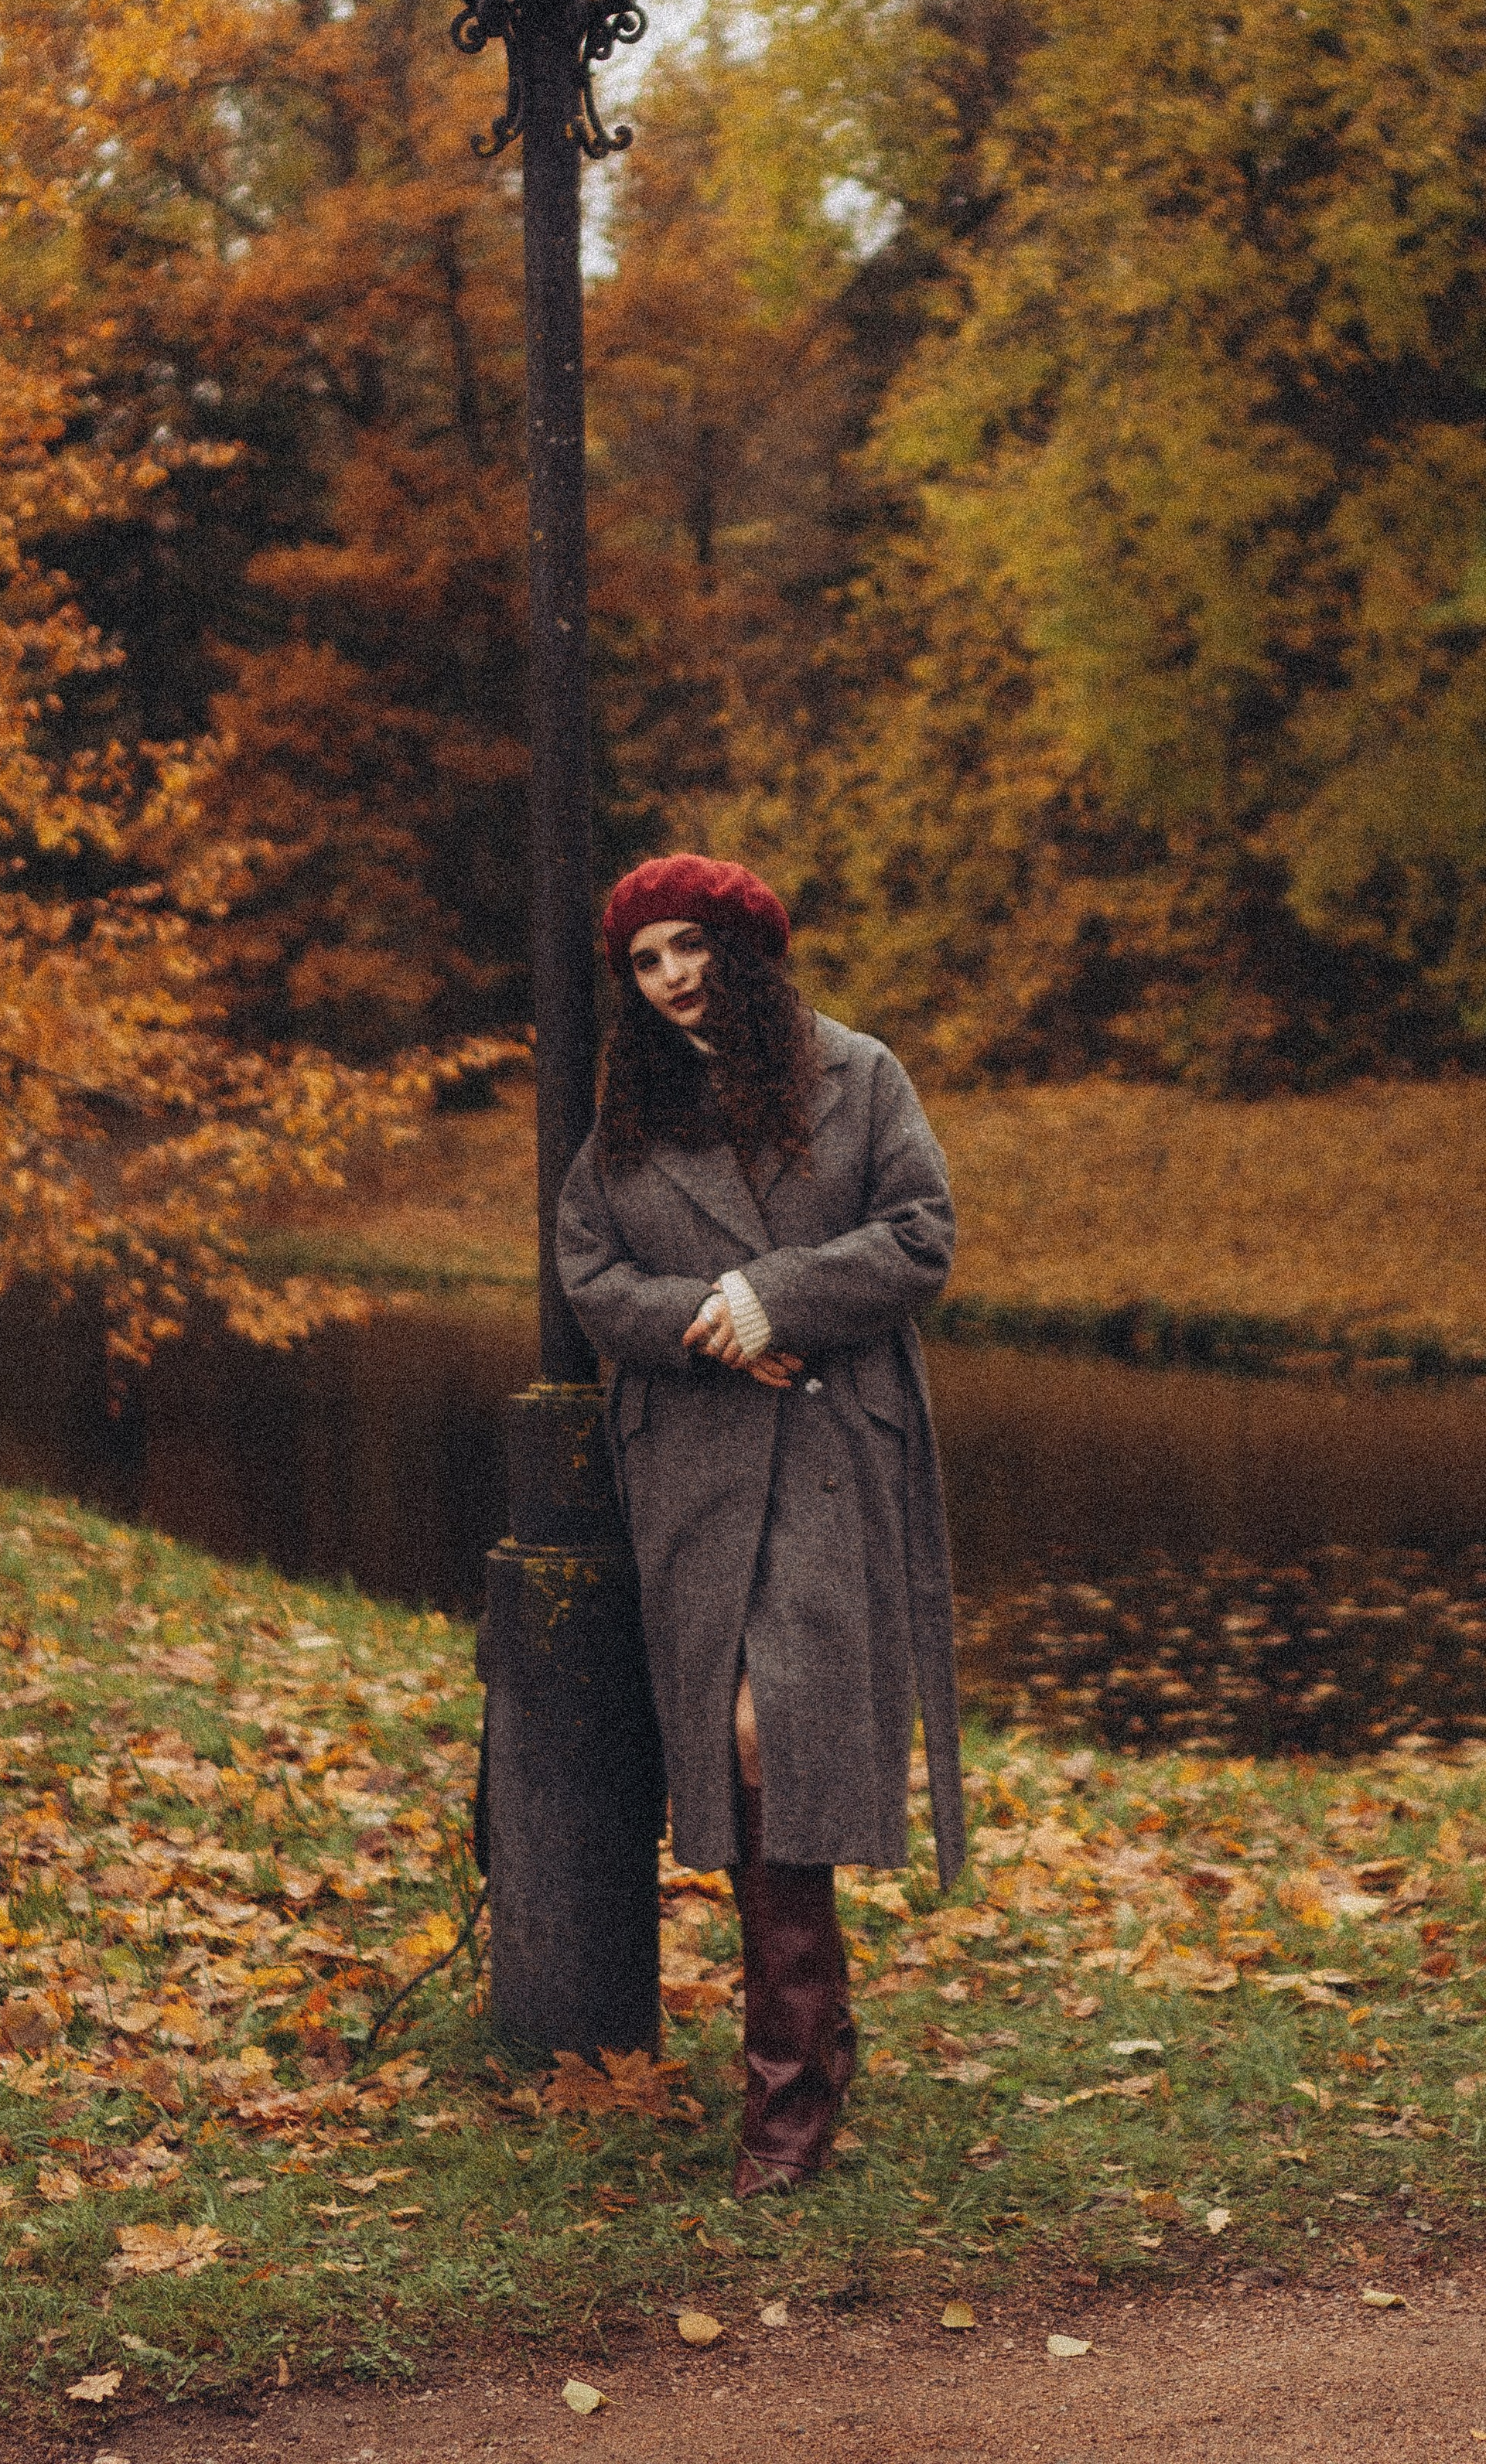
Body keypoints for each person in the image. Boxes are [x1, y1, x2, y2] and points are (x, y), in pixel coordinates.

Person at [556, 853, 965, 2196]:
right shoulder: (631, 1113)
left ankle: (786, 2102)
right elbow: (587, 1273)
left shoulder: (860, 1074)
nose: (673, 977)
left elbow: (920, 1235)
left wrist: (773, 1296)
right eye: (647, 959)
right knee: (741, 1763)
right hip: (692, 1468)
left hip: (833, 1453)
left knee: (765, 1738)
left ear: (747, 950)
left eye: (692, 947)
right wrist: (705, 1326)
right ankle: (816, 2037)